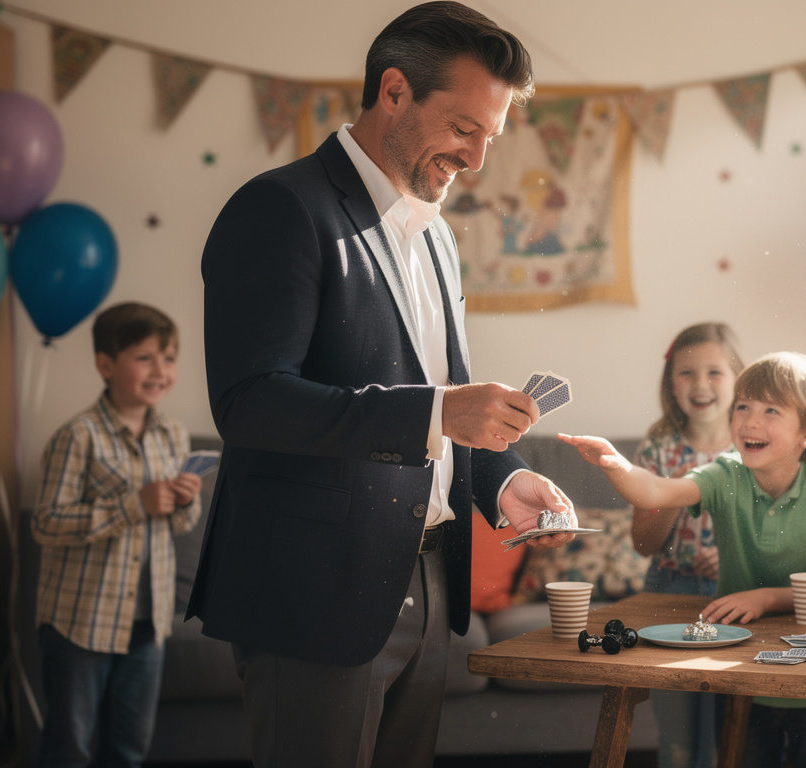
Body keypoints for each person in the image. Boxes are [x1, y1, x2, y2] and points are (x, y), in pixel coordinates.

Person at [189, 4, 576, 767]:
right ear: (393, 92)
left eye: (489, 138)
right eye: (464, 129)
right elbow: (251, 401)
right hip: (312, 597)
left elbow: (445, 402)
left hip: (430, 586)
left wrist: (504, 481)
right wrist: (438, 411)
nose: (476, 160)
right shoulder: (279, 208)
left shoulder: (435, 234)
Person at [562, 352, 806, 768]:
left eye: (771, 410)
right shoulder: (724, 473)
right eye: (742, 406)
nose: (750, 421)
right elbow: (655, 492)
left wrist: (762, 599)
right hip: (739, 674)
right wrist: (616, 465)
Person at [32, 302, 202, 768]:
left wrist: (184, 503)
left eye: (168, 358)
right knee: (69, 748)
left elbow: (180, 525)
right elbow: (46, 522)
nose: (160, 370)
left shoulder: (172, 434)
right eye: (144, 357)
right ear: (106, 365)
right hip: (80, 622)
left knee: (129, 749)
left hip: (148, 623)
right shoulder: (78, 437)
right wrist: (134, 505)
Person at [630, 322, 743, 768]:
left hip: (732, 596)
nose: (700, 385)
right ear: (670, 382)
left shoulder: (752, 447)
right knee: (677, 743)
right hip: (668, 590)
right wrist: (672, 491)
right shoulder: (658, 448)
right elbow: (643, 543)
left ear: (738, 377)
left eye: (714, 372)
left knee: (722, 740)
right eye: (687, 373)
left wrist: (733, 557)